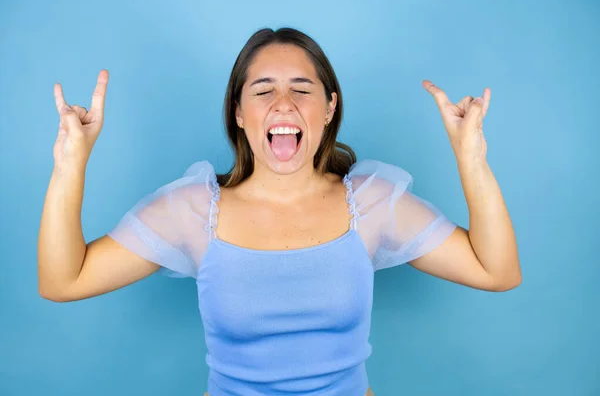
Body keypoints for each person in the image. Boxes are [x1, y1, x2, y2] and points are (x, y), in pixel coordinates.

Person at [38, 27, 521, 396]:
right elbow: (64, 281)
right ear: (239, 111)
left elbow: (496, 271)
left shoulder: (372, 204)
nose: (283, 104)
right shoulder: (191, 212)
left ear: (329, 108)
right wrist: (69, 164)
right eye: (264, 90)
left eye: (302, 89)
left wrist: (471, 158)